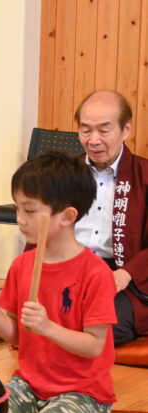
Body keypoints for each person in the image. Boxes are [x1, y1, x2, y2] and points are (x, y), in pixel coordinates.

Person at [0, 152, 117, 413]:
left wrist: (48, 327)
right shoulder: (22, 265)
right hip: (29, 383)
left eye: (30, 210)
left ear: (67, 216)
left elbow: (93, 346)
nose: (19, 219)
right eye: (18, 207)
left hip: (83, 391)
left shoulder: (96, 273)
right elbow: (14, 336)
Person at [73, 90, 148, 345]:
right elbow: (41, 230)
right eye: (85, 130)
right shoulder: (63, 175)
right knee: (36, 316)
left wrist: (126, 273)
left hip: (121, 278)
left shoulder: (144, 176)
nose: (93, 140)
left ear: (125, 130)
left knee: (104, 327)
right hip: (69, 271)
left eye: (104, 130)